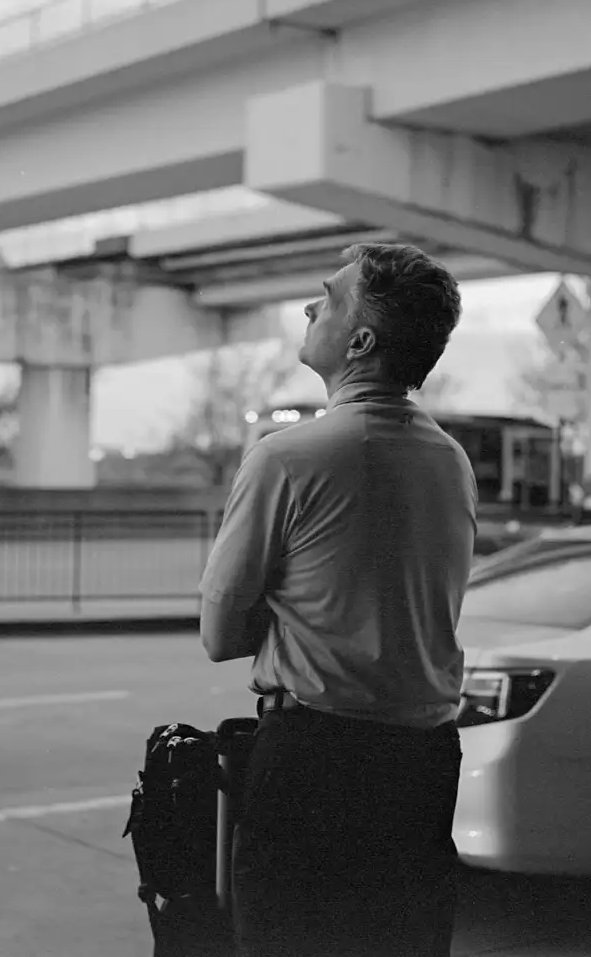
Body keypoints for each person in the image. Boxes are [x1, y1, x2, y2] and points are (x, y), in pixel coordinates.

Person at [198, 242, 477, 957]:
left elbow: (221, 632)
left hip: (315, 762)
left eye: (327, 296)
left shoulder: (288, 458)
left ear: (359, 340)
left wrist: (290, 612)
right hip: (424, 763)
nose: (308, 306)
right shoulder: (450, 461)